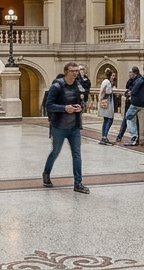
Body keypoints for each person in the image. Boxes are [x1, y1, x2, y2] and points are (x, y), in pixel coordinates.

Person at [42, 62, 89, 194]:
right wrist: (64, 108)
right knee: (55, 151)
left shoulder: (77, 85)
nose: (75, 73)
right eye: (72, 71)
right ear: (66, 72)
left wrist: (80, 107)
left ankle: (78, 183)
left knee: (77, 154)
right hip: (59, 126)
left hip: (74, 126)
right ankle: (46, 173)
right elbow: (49, 105)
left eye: (77, 71)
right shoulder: (57, 86)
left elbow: (82, 100)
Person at [116, 61, 144, 147]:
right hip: (142, 102)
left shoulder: (138, 80)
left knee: (128, 116)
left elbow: (133, 91)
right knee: (132, 118)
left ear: (135, 73)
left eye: (131, 72)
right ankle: (135, 137)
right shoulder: (143, 79)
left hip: (136, 102)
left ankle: (134, 137)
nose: (129, 74)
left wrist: (130, 93)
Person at [97, 67, 117, 145]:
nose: (113, 77)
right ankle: (104, 137)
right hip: (108, 102)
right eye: (112, 75)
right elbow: (108, 91)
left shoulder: (105, 81)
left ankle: (103, 136)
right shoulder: (107, 82)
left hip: (105, 101)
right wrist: (113, 90)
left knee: (106, 120)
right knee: (109, 119)